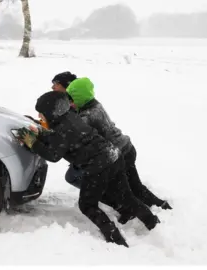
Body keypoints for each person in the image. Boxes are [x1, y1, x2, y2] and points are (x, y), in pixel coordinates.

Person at [17, 91, 161, 247]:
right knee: (126, 197)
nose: (39, 115)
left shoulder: (63, 129)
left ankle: (115, 240)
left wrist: (32, 141)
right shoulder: (69, 117)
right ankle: (154, 224)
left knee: (87, 205)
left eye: (41, 113)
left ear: (52, 113)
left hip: (98, 166)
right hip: (113, 156)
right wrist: (40, 133)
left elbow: (53, 155)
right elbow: (57, 139)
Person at [66, 77, 172, 224]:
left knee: (128, 191)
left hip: (119, 154)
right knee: (134, 188)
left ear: (79, 97)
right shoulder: (94, 105)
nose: (69, 102)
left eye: (72, 98)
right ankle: (160, 207)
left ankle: (153, 212)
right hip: (126, 147)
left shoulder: (87, 116)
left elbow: (75, 133)